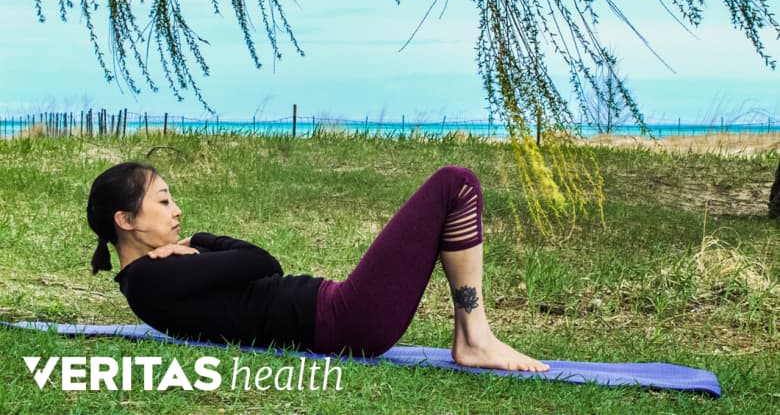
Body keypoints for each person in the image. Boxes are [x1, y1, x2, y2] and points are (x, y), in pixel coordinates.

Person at [87, 162, 549, 372]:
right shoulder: (150, 278)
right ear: (126, 221)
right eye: (163, 202)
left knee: (455, 186)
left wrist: (193, 248)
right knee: (455, 183)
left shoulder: (152, 277)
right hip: (345, 319)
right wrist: (201, 241)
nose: (177, 211)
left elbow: (253, 269)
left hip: (341, 315)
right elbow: (262, 262)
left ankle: (472, 335)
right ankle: (474, 338)